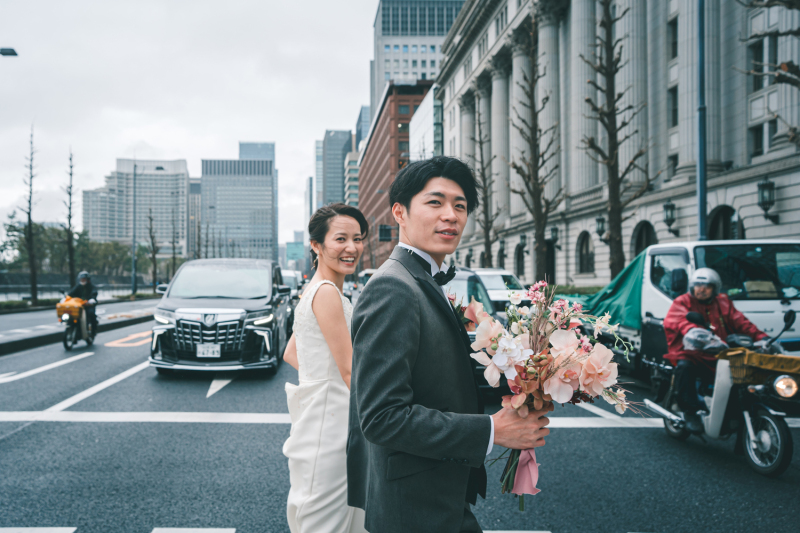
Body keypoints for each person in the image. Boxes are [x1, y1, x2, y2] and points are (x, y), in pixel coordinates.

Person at [347, 156, 552, 533]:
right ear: (400, 212)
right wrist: (492, 430)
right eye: (435, 202)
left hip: (434, 495)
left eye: (460, 206)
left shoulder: (422, 280)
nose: (451, 216)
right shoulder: (394, 287)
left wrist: (530, 379)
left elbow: (436, 377)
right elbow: (381, 417)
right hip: (416, 509)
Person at [281, 203, 369, 533]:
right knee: (329, 522)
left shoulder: (315, 289)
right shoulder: (329, 293)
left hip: (321, 418)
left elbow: (293, 352)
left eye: (358, 239)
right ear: (316, 245)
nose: (352, 248)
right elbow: (349, 371)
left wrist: (322, 377)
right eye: (341, 239)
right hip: (333, 429)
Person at [663, 268, 767, 432]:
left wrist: (762, 338)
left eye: (707, 286)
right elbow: (678, 320)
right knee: (685, 367)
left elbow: (742, 323)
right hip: (692, 351)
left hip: (719, 350)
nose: (701, 289)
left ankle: (731, 412)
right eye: (698, 285)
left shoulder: (724, 302)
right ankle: (690, 412)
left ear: (715, 288)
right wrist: (693, 332)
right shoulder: (682, 301)